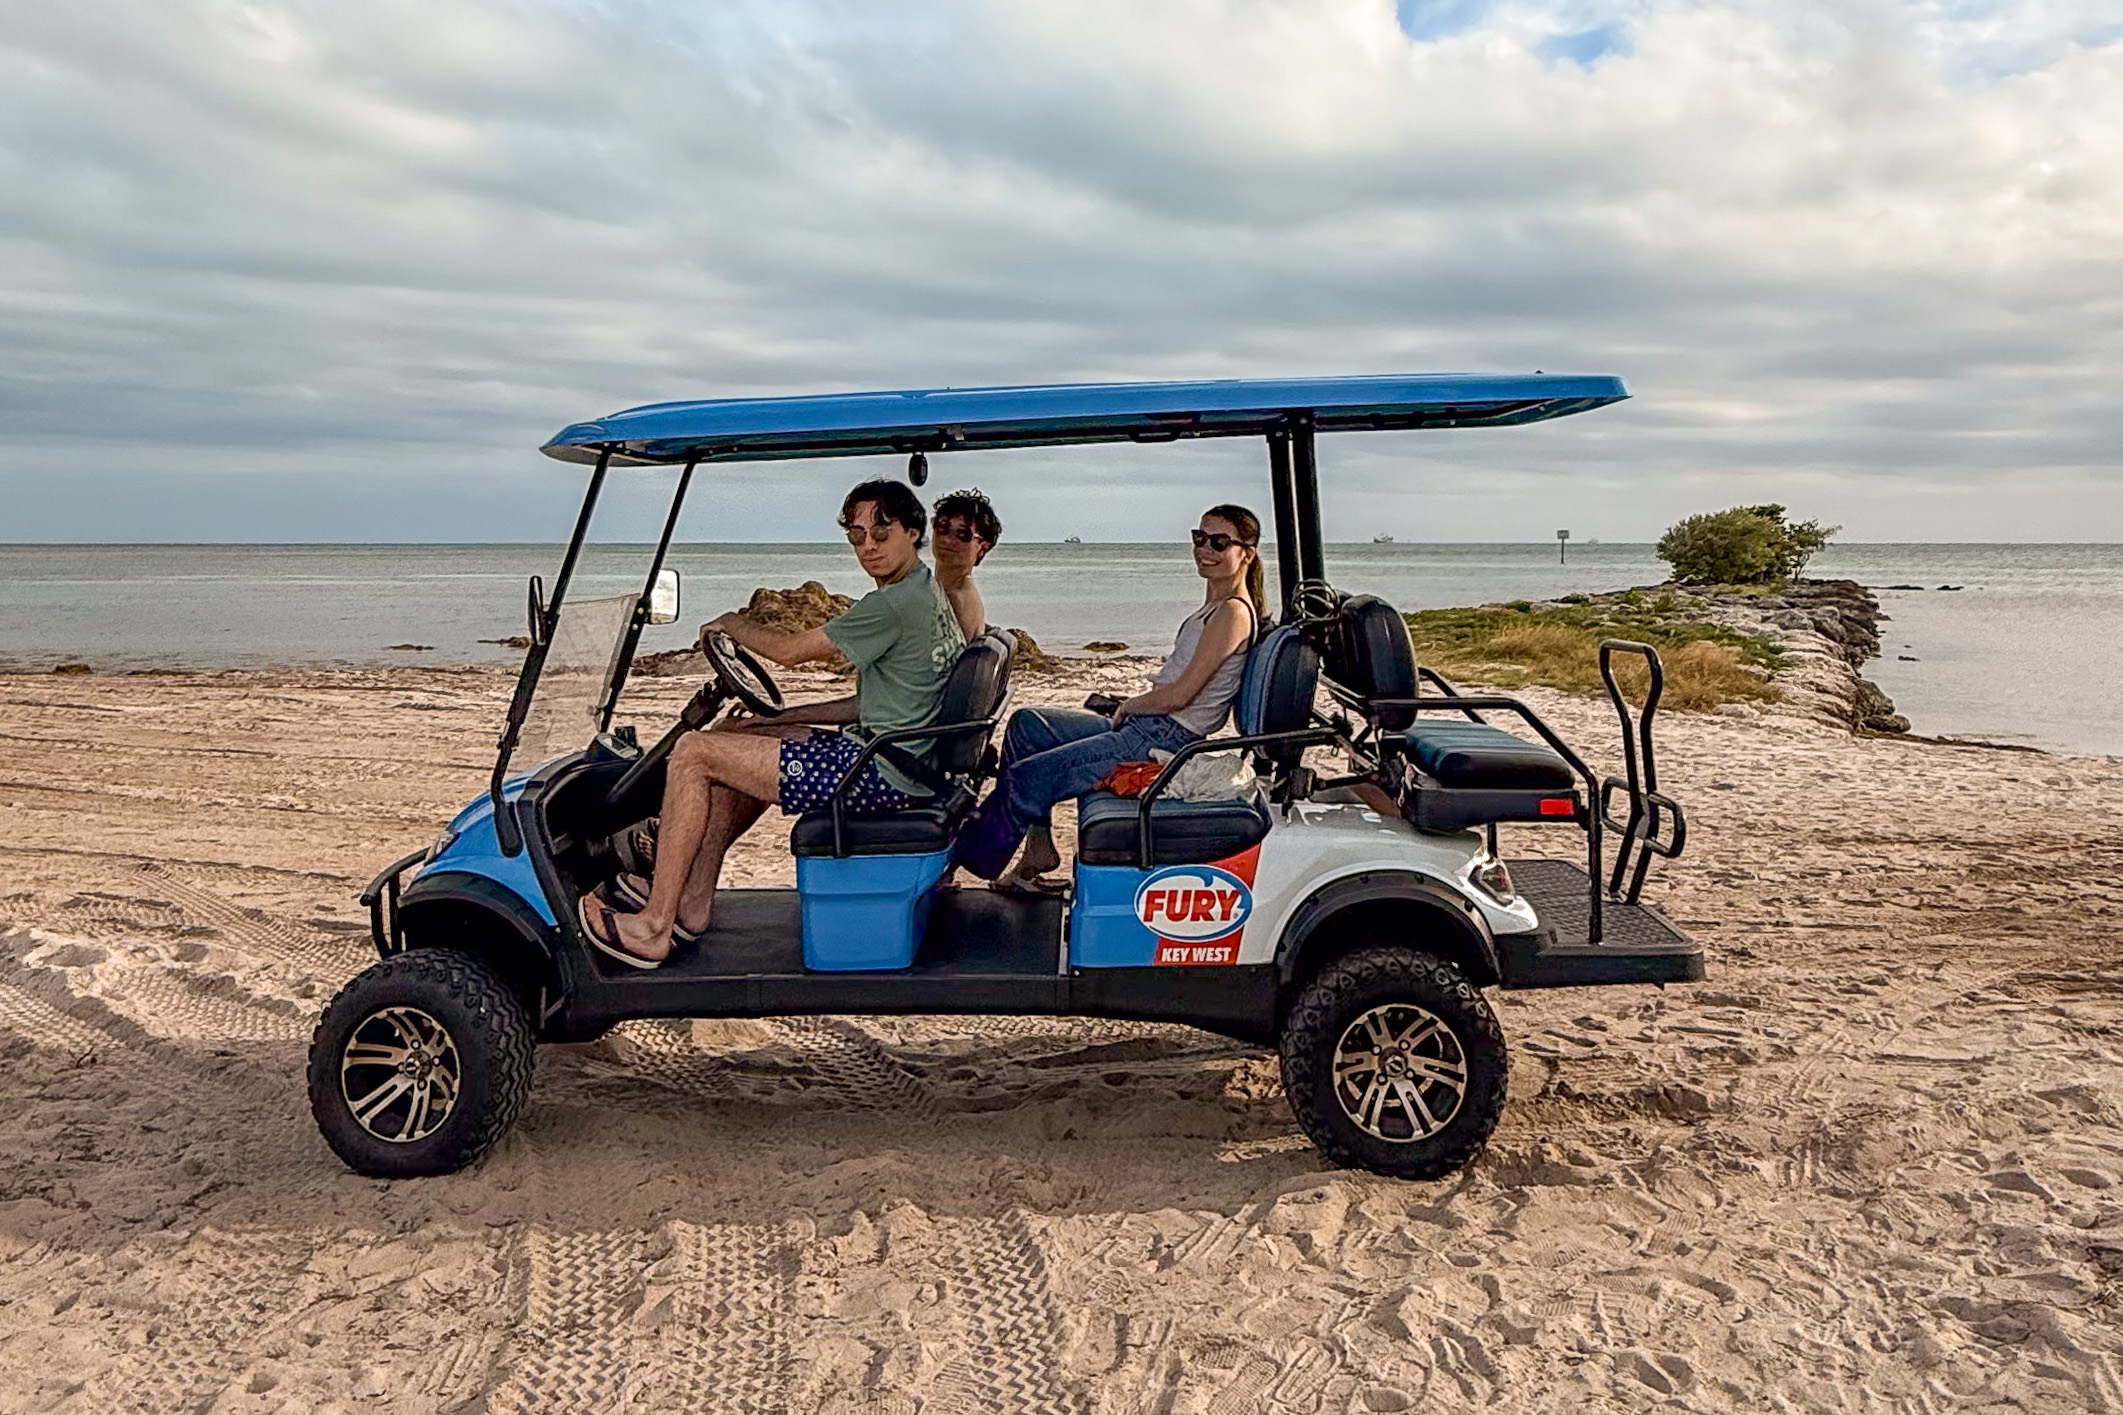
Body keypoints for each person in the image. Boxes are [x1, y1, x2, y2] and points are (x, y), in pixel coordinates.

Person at [581, 478, 965, 968]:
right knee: (735, 736)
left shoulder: (893, 604)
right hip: (896, 758)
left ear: (913, 532)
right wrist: (785, 717)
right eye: (856, 535)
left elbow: (788, 652)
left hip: (878, 775)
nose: (867, 547)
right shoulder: (924, 591)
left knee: (694, 753)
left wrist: (731, 623)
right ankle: (692, 899)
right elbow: (883, 704)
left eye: (881, 533)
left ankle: (654, 925)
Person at [957, 504, 1265, 887]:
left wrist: (1129, 706)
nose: (1205, 550)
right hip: (1147, 727)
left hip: (1162, 739)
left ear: (1246, 554)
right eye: (1199, 538)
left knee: (1029, 778)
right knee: (1027, 726)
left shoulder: (1233, 614)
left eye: (1219, 543)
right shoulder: (1213, 608)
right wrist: (1133, 709)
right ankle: (1039, 848)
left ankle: (963, 859)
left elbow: (1181, 696)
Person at [931, 487, 1001, 638]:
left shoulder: (955, 599)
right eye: (943, 528)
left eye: (962, 534)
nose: (948, 540)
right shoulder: (943, 590)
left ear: (982, 548)